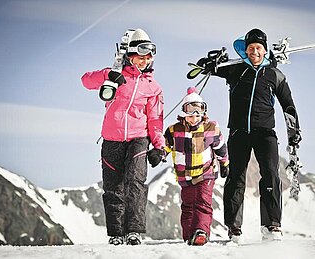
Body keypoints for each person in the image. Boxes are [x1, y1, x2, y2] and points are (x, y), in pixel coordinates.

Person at [196, 28, 302, 241]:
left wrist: (294, 133)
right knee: (236, 178)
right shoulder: (235, 69)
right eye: (251, 48)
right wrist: (211, 61)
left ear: (265, 50)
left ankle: (271, 225)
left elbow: (288, 107)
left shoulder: (275, 75)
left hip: (265, 133)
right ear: (246, 50)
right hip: (239, 132)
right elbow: (205, 67)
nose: (254, 52)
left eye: (258, 48)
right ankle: (234, 227)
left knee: (271, 175)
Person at [81, 28, 165, 245]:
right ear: (130, 55)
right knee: (113, 187)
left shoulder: (153, 87)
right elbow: (85, 81)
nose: (144, 61)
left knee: (136, 181)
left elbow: (155, 119)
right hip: (112, 138)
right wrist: (108, 75)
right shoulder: (115, 75)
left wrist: (159, 146)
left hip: (139, 138)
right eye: (140, 57)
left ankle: (134, 231)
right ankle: (116, 234)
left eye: (148, 58)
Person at [161, 87, 229, 246]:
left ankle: (201, 232)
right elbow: (165, 146)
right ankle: (189, 234)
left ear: (203, 114)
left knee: (203, 202)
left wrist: (224, 162)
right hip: (185, 176)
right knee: (188, 206)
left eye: (197, 115)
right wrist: (159, 154)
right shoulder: (174, 130)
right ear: (184, 113)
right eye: (190, 115)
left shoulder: (211, 128)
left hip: (206, 173)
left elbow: (221, 147)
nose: (194, 119)